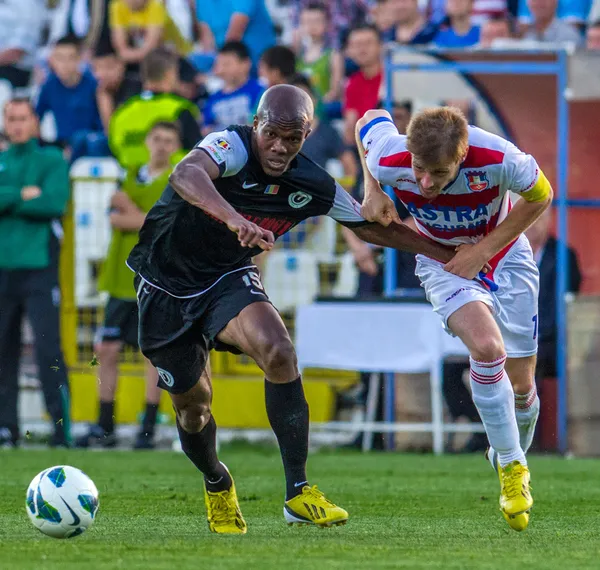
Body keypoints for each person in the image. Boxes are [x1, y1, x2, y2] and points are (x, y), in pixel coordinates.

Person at [126, 84, 464, 534]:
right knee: (195, 408)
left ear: (308, 133)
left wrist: (451, 255)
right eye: (272, 135)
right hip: (163, 284)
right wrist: (236, 220)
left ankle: (299, 492)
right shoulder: (230, 145)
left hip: (227, 277)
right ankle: (216, 479)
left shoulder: (312, 183)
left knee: (279, 350)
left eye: (294, 139)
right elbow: (185, 174)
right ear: (256, 124)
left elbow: (371, 228)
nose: (281, 148)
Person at [356, 105, 553, 532]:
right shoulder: (390, 156)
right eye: (419, 170)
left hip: (504, 256)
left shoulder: (500, 157)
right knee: (486, 348)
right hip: (440, 261)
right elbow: (368, 117)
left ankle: (506, 449)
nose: (425, 183)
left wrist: (482, 251)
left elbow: (542, 195)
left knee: (523, 390)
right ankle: (512, 466)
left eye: (438, 173)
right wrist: (372, 188)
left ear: (462, 157)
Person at [76, 121, 182, 450]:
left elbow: (164, 224)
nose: (162, 145)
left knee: (153, 356)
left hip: (155, 280)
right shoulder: (131, 173)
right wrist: (143, 216)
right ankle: (104, 425)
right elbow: (115, 216)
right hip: (121, 278)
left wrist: (132, 213)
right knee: (106, 349)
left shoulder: (178, 179)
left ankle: (147, 428)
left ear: (176, 145)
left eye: (169, 140)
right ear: (148, 141)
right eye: (158, 138)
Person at [0, 99, 71, 448]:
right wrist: (21, 195)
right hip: (3, 270)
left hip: (40, 268)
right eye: (10, 119)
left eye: (22, 119)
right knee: (3, 352)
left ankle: (62, 429)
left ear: (34, 122)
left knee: (48, 351)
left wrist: (6, 200)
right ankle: (6, 429)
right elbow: (36, 201)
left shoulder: (51, 160)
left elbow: (54, 203)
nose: (16, 125)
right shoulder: (2, 160)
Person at [202, 41, 264, 134]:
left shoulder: (259, 91)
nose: (221, 70)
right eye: (219, 65)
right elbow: (205, 128)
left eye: (227, 64)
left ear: (246, 64)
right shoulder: (213, 99)